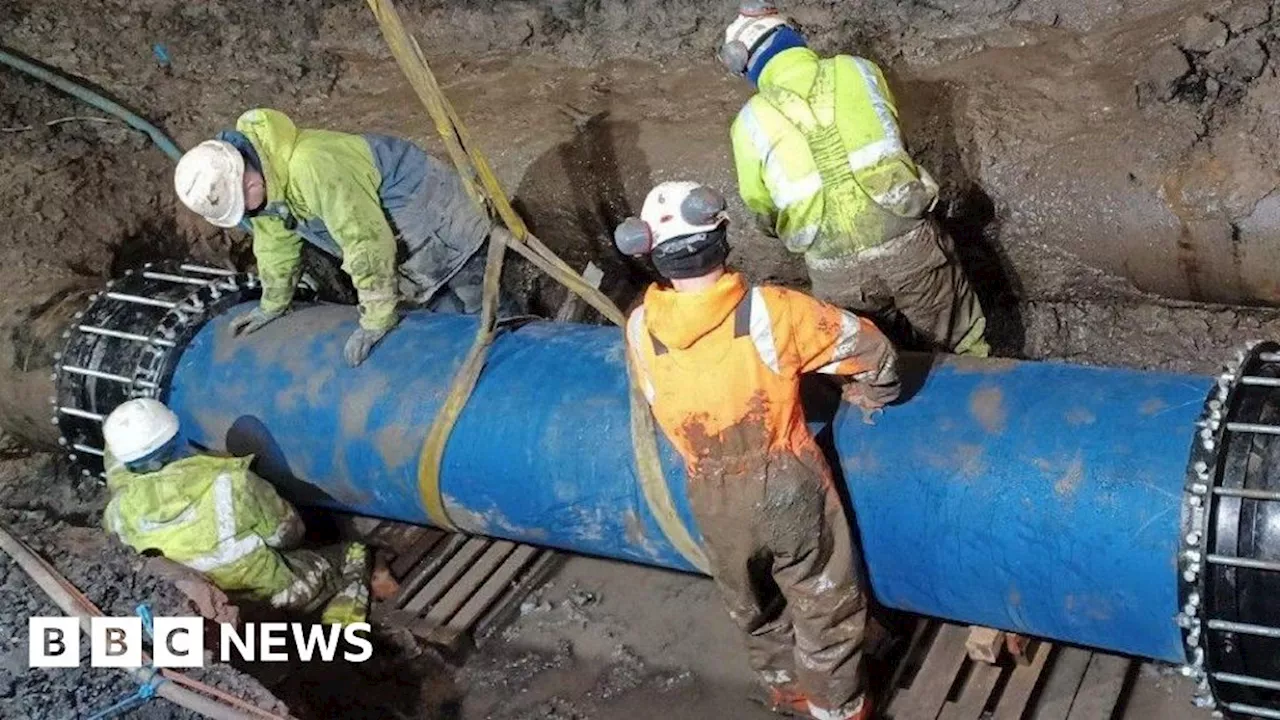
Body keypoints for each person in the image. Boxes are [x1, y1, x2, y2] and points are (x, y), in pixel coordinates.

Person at [616, 181, 900, 720]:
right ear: (722, 237)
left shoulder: (638, 329)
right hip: (784, 479)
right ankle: (837, 709)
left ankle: (786, 690)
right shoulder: (772, 311)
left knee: (752, 603)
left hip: (708, 492)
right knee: (822, 597)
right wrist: (873, 393)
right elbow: (871, 350)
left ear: (652, 255)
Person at [719, 1, 990, 357]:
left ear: (747, 66)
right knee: (962, 342)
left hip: (835, 269)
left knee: (875, 360)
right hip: (906, 241)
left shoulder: (748, 123)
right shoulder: (859, 70)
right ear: (792, 36)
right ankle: (985, 396)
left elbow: (761, 206)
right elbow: (893, 136)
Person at [173, 107, 515, 367]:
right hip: (403, 235)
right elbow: (276, 244)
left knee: (485, 305)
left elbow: (364, 241)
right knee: (439, 312)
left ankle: (525, 347)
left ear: (247, 182)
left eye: (243, 206)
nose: (247, 215)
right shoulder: (267, 182)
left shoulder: (312, 166)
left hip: (437, 216)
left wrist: (378, 317)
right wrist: (273, 304)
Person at [101, 398, 368, 624]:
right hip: (272, 597)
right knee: (354, 554)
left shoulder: (119, 512)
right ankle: (340, 633)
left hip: (206, 605)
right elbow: (289, 535)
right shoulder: (233, 482)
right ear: (178, 436)